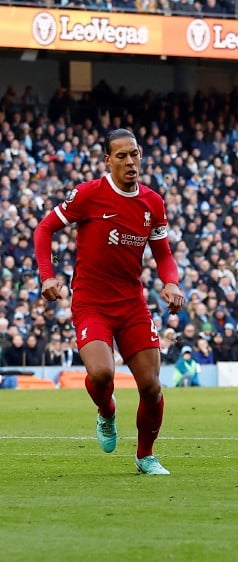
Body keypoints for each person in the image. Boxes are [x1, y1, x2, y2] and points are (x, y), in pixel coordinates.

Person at [33, 128, 185, 475]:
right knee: (102, 374)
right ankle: (106, 410)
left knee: (152, 386)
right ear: (108, 160)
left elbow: (164, 254)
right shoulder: (88, 194)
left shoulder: (152, 202)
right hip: (91, 303)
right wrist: (47, 275)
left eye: (135, 154)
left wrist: (171, 283)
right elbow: (44, 229)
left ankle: (145, 456)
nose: (130, 161)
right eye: (122, 155)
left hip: (131, 304)